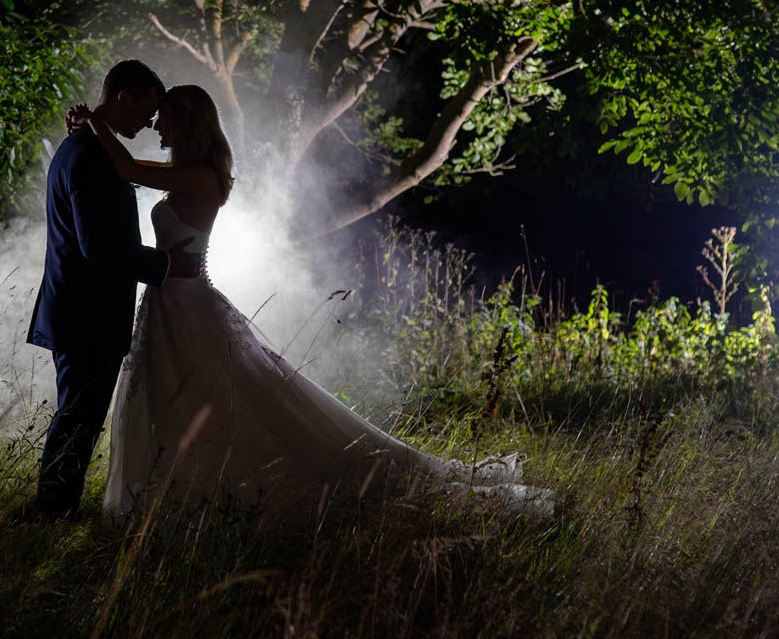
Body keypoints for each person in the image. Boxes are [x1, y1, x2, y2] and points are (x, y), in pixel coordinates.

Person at [71, 84, 552, 520]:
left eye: (164, 118)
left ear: (187, 120)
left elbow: (129, 168)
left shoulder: (205, 176)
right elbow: (132, 172)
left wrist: (95, 121)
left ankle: (217, 495)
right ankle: (175, 497)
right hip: (166, 305)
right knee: (177, 402)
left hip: (189, 305)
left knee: (231, 405)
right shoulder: (185, 173)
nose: (155, 125)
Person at [27, 60, 200, 520]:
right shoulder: (89, 155)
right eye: (146, 112)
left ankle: (55, 509)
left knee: (77, 418)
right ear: (124, 95)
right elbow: (100, 248)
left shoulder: (83, 146)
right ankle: (52, 513)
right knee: (78, 420)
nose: (147, 126)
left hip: (82, 309)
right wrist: (166, 264)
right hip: (88, 313)